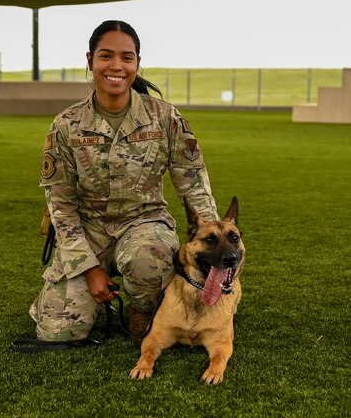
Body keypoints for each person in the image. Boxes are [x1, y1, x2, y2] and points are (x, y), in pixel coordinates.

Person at [30, 20, 219, 342]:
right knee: (58, 334)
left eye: (126, 57)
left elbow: (193, 184)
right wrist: (88, 269)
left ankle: (143, 309)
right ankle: (79, 296)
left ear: (136, 63)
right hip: (87, 229)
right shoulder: (66, 124)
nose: (116, 66)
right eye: (106, 56)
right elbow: (60, 206)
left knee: (152, 259)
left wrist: (215, 244)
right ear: (89, 60)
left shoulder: (165, 117)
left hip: (144, 223)